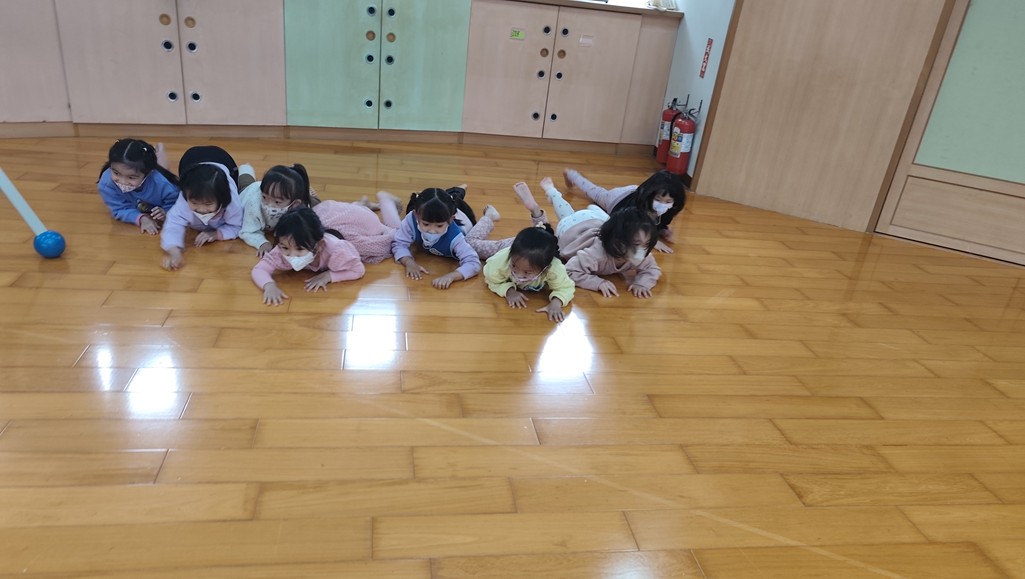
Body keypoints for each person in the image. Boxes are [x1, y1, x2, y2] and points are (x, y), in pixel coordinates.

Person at [536, 177, 661, 297]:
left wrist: (642, 284)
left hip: (596, 221)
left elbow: (652, 269)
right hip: (571, 228)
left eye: (646, 244)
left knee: (611, 222)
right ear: (618, 242)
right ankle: (553, 193)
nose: (642, 250)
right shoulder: (596, 255)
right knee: (566, 214)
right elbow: (570, 270)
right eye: (636, 244)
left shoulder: (642, 254)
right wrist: (597, 283)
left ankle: (595, 209)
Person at [251, 207, 365, 306]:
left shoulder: (337, 250)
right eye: (285, 248)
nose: (291, 255)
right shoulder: (283, 248)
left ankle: (363, 205)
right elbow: (259, 269)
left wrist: (329, 276)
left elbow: (358, 270)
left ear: (319, 245)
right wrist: (269, 286)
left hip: (348, 227)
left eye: (300, 249)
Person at [562, 168, 685, 253]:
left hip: (637, 191)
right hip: (618, 198)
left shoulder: (669, 209)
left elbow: (658, 220)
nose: (663, 205)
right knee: (596, 193)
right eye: (658, 200)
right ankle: (572, 175)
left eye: (668, 202)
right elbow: (627, 228)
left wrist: (663, 230)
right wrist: (654, 242)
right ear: (649, 195)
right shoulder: (633, 208)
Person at [391, 187, 481, 289]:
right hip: (442, 210)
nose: (432, 230)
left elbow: (473, 263)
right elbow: (399, 243)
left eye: (439, 226)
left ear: (451, 220)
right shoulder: (411, 218)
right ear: (416, 216)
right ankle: (452, 191)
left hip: (464, 213)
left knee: (457, 198)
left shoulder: (456, 237)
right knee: (411, 206)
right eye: (426, 224)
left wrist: (452, 276)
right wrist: (409, 262)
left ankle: (461, 190)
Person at [159, 162, 243, 270]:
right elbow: (173, 224)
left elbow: (237, 226)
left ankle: (245, 171)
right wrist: (174, 251)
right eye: (194, 203)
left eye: (208, 204)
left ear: (222, 200)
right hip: (191, 160)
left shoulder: (232, 204)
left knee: (244, 188)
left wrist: (216, 234)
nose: (201, 209)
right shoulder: (184, 201)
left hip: (224, 161)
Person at [483, 225, 575, 323]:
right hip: (505, 246)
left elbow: (566, 288)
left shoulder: (554, 269)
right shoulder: (499, 262)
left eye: (527, 272)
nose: (518, 274)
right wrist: (509, 291)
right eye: (513, 265)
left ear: (546, 269)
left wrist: (556, 303)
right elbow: (491, 279)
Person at [96, 139, 179, 235]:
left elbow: (176, 205)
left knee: (163, 168)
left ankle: (159, 150)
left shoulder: (164, 185)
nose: (123, 182)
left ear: (148, 174)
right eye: (116, 173)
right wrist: (141, 218)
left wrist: (166, 212)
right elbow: (119, 209)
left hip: (158, 177)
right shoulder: (107, 183)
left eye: (131, 177)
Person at [238, 164, 314, 256]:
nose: (268, 205)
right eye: (264, 197)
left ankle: (309, 193)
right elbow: (247, 231)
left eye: (277, 202)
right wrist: (262, 243)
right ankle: (245, 168)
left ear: (295, 204)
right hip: (249, 191)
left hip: (272, 191)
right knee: (245, 185)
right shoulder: (253, 204)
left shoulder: (300, 208)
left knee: (313, 202)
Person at [463, 181, 549, 260]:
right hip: (519, 247)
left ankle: (535, 210)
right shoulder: (509, 250)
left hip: (533, 247)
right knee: (468, 244)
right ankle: (489, 216)